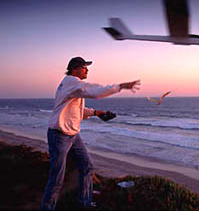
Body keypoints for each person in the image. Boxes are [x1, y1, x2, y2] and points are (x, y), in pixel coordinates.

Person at [41, 56, 141, 210]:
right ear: (75, 69)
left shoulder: (71, 86)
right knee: (56, 178)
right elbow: (95, 91)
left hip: (72, 134)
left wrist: (96, 112)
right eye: (84, 67)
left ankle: (85, 204)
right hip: (59, 135)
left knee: (86, 166)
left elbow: (76, 111)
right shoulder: (71, 82)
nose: (87, 69)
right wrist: (120, 86)